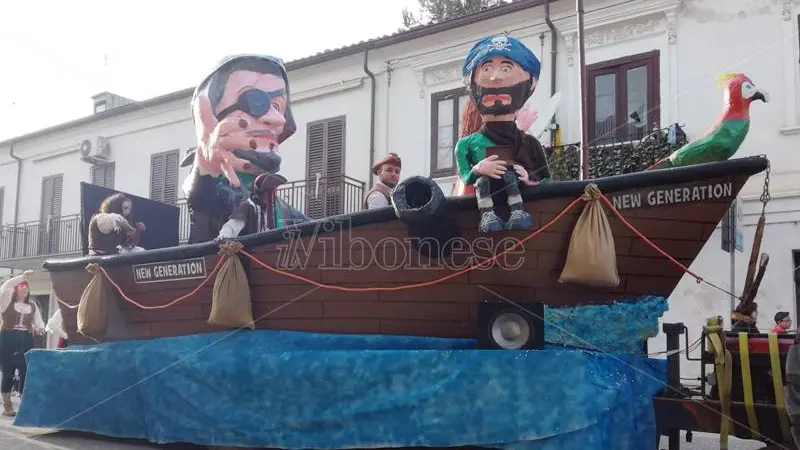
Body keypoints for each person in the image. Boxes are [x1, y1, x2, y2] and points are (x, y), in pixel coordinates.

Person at [182, 54, 308, 243]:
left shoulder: (280, 209)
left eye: (277, 106)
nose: (278, 119)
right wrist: (206, 163)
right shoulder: (213, 186)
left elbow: (320, 233)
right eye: (255, 101)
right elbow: (199, 195)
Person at [453, 34, 551, 233]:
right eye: (487, 68)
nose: (495, 77)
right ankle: (487, 214)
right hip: (481, 213)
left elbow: (547, 180)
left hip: (528, 220)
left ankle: (517, 212)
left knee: (510, 178)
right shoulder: (466, 144)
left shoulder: (530, 143)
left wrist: (529, 180)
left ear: (530, 84)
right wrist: (478, 169)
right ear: (470, 84)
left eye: (506, 68)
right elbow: (465, 176)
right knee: (483, 183)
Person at [0, 270, 45, 417]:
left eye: (26, 287)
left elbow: (39, 322)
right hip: (8, 337)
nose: (25, 288)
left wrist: (40, 328)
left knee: (26, 371)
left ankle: (24, 404)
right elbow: (5, 286)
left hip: (25, 338)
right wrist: (22, 277)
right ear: (15, 289)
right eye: (21, 286)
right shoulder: (6, 301)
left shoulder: (32, 305)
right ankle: (7, 405)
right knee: (8, 373)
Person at [216, 172, 308, 239]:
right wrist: (224, 236)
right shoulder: (248, 206)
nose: (273, 195)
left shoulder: (278, 207)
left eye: (274, 191)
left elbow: (303, 221)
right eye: (269, 192)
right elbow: (232, 226)